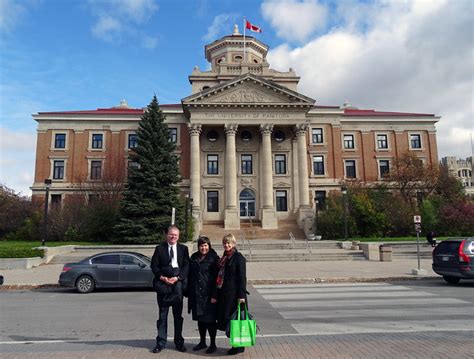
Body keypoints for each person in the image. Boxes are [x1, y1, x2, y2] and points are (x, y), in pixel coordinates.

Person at [151, 225, 189, 354]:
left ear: (179, 236)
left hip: (177, 287)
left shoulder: (183, 249)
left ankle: (179, 342)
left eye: (176, 235)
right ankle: (160, 343)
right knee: (162, 316)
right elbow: (154, 266)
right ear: (167, 235)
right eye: (171, 234)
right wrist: (162, 277)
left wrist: (178, 278)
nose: (173, 237)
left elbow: (186, 266)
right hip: (163, 286)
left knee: (178, 317)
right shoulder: (159, 248)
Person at [215, 233, 247, 355]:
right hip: (226, 295)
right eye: (225, 243)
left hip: (236, 296)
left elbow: (242, 279)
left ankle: (237, 346)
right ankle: (239, 345)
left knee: (236, 321)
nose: (226, 245)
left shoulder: (239, 258)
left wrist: (242, 297)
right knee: (231, 320)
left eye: (229, 243)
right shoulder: (224, 257)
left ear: (233, 244)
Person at [187, 236, 219, 354]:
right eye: (201, 245)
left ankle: (213, 344)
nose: (203, 248)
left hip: (209, 295)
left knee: (210, 321)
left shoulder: (214, 258)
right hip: (197, 294)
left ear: (209, 246)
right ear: (198, 246)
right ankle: (202, 342)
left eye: (205, 245)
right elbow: (190, 276)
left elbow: (218, 279)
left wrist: (215, 295)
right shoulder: (194, 257)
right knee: (200, 320)